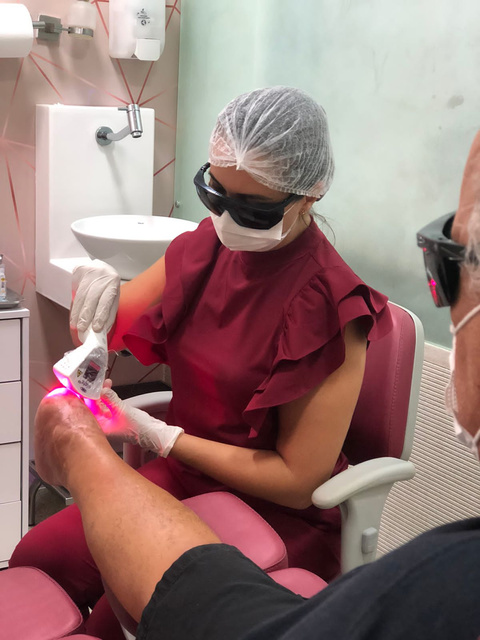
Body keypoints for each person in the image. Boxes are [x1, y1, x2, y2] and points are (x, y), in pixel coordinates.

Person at [31, 128, 480, 640]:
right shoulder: (207, 244)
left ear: (309, 195)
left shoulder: (326, 304)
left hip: (272, 511)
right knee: (40, 557)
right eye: (214, 193)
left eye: (253, 208)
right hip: (183, 478)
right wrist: (95, 301)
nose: (226, 218)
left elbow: (295, 482)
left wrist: (159, 435)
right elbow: (107, 335)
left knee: (115, 621)